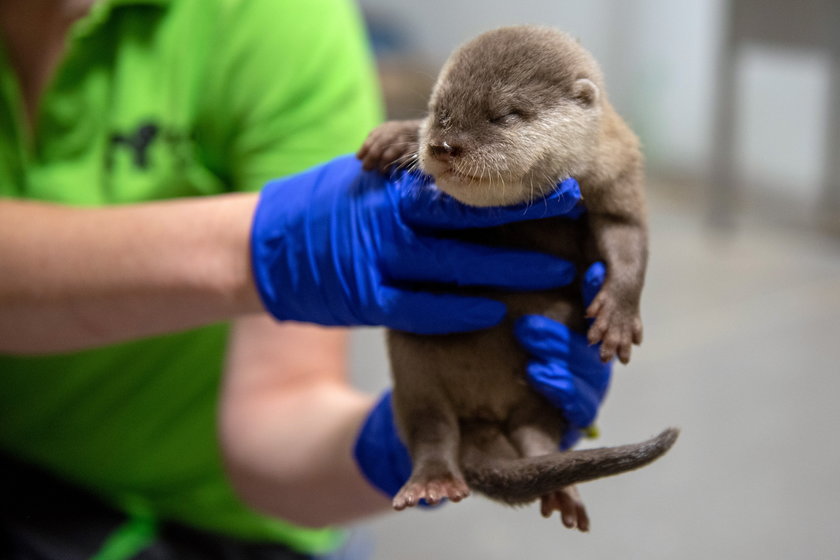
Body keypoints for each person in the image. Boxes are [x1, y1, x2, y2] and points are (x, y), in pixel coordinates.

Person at [0, 0, 613, 558]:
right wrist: (251, 248)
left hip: (219, 516)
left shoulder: (275, 20)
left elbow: (277, 420)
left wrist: (401, 442)